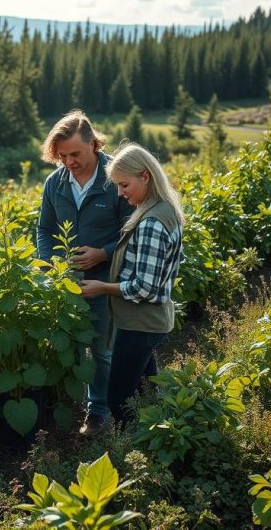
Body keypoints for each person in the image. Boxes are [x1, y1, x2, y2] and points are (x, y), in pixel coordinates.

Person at [37, 110, 133, 435]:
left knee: (103, 348)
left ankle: (100, 413)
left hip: (106, 278)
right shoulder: (56, 183)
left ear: (93, 144)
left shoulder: (115, 178)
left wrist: (102, 253)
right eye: (62, 155)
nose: (69, 162)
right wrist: (51, 263)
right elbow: (45, 230)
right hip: (67, 282)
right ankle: (73, 407)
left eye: (75, 154)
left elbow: (131, 230)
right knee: (73, 346)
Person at [79, 143, 185, 423]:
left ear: (146, 176)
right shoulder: (163, 210)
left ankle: (133, 452)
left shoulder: (151, 222)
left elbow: (145, 288)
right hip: (149, 321)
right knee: (149, 390)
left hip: (142, 324)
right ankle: (160, 443)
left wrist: (102, 288)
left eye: (124, 184)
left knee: (119, 400)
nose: (120, 193)